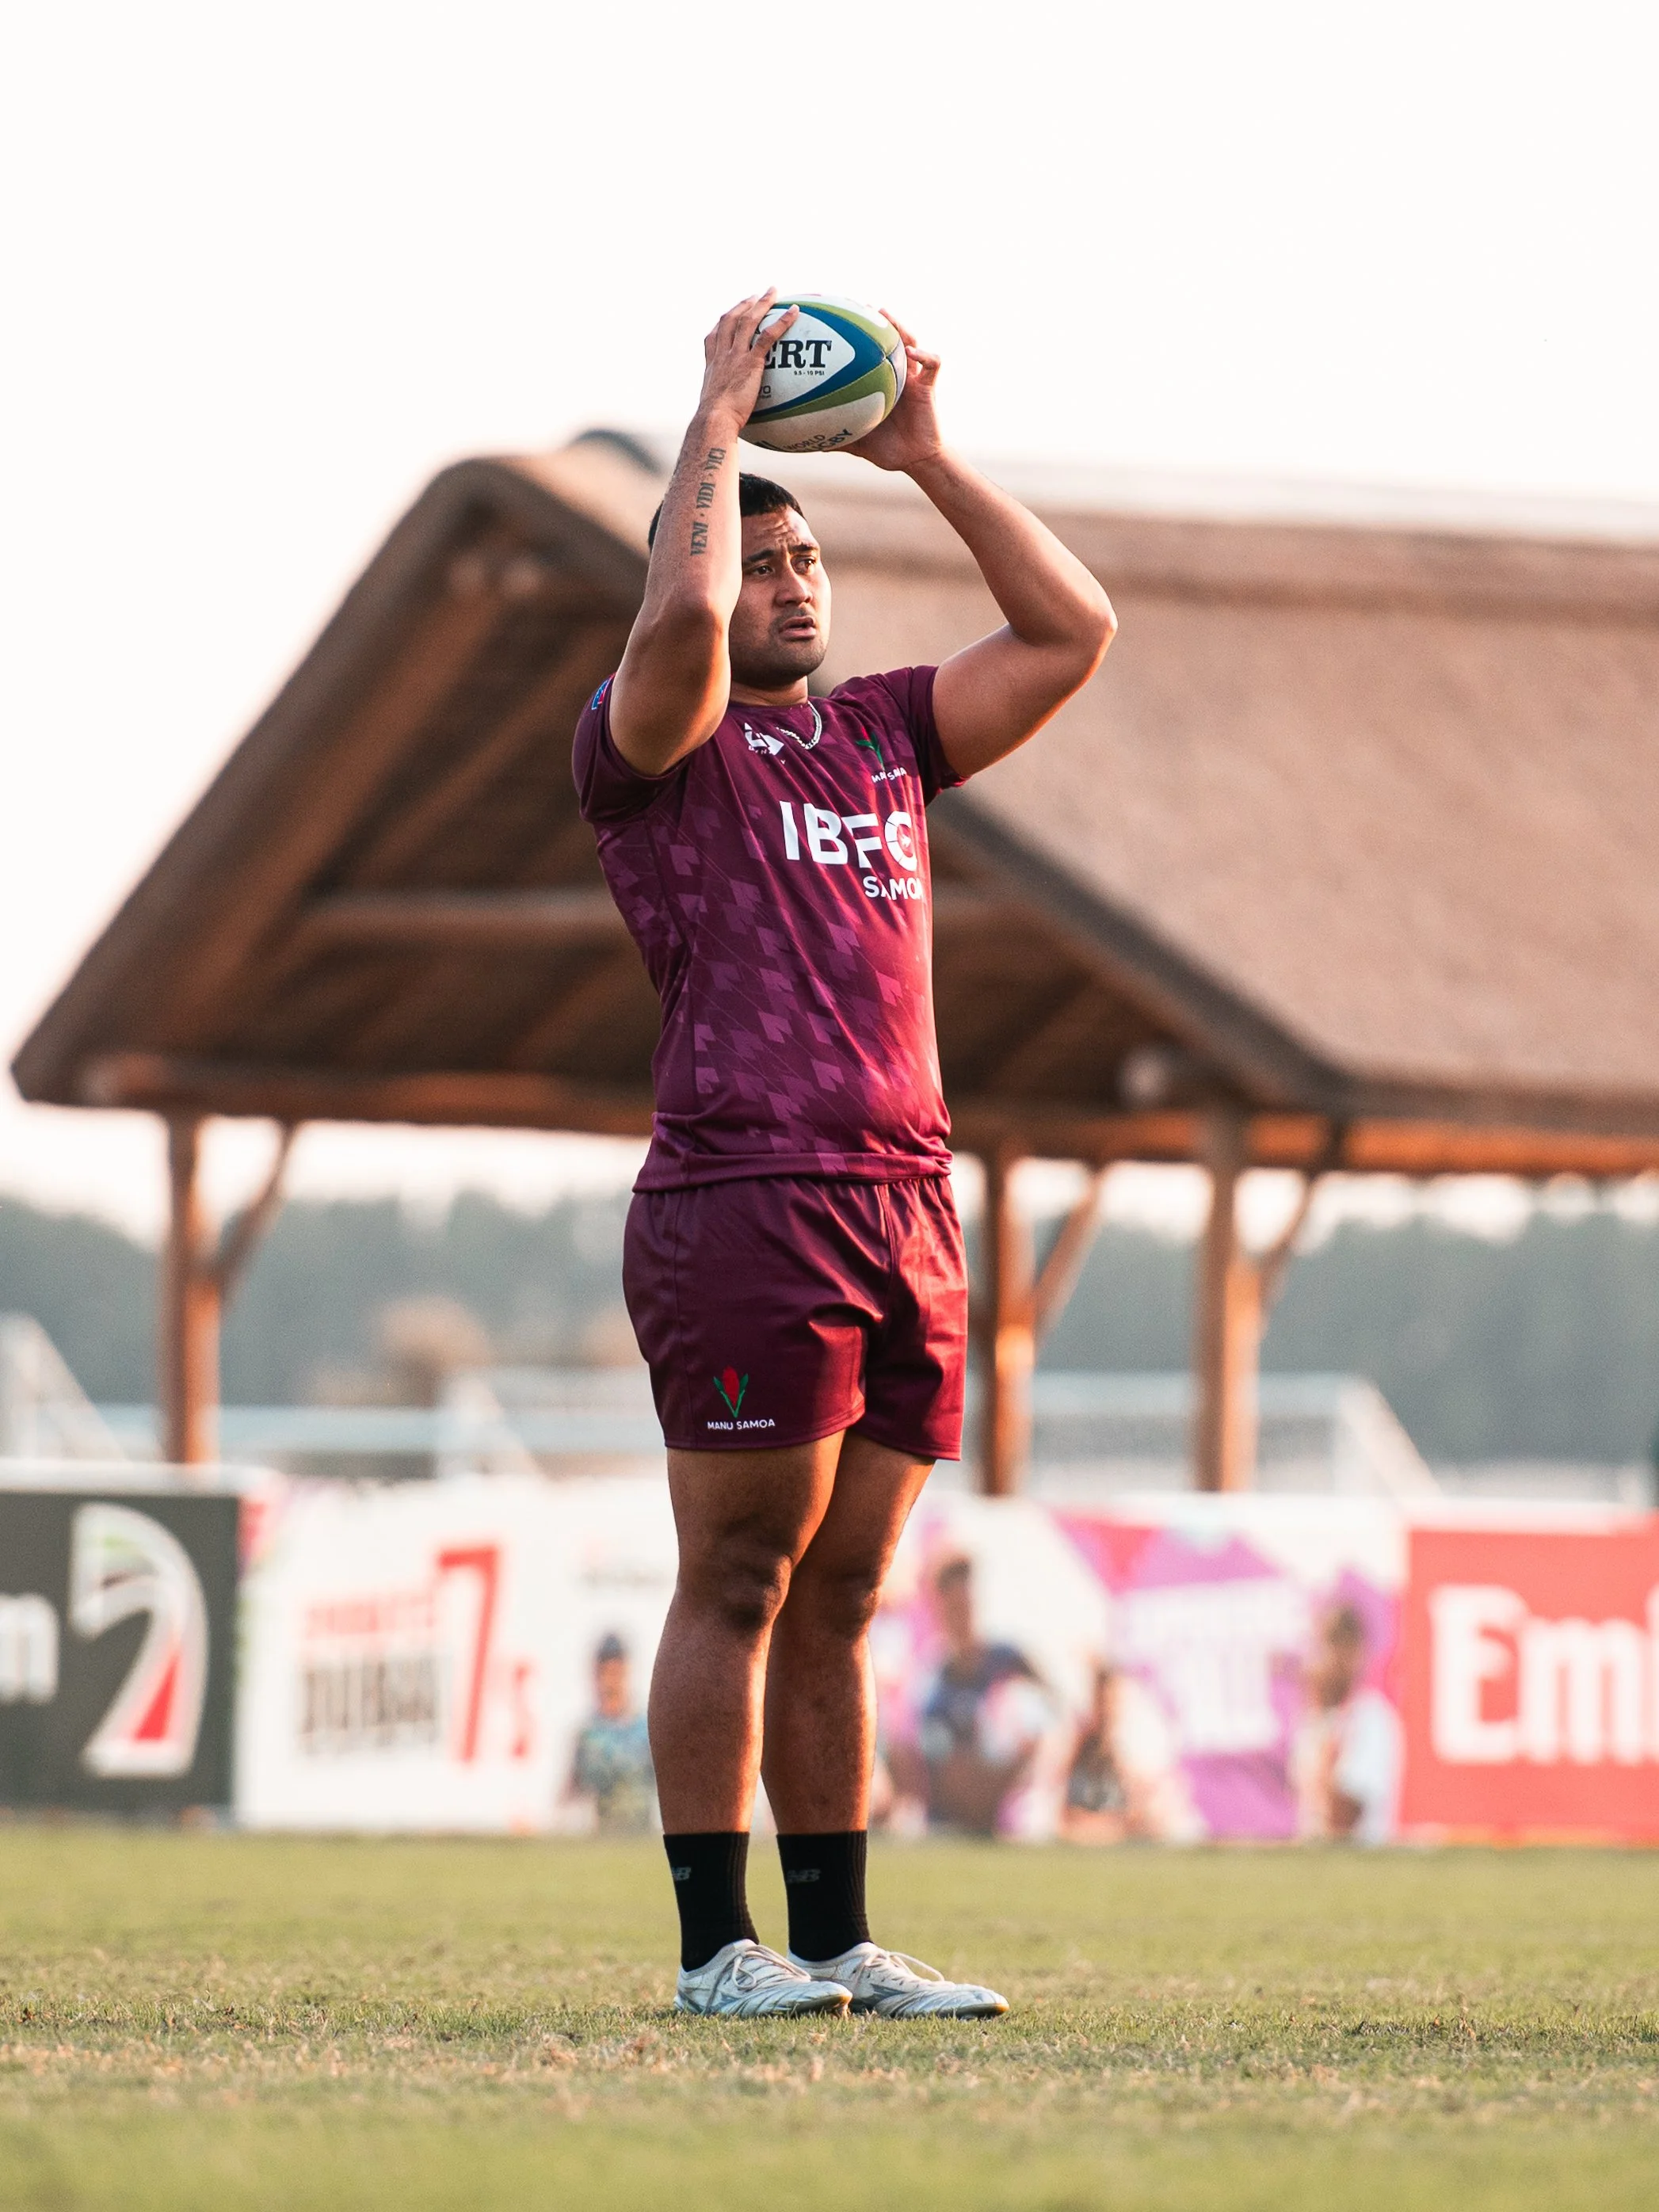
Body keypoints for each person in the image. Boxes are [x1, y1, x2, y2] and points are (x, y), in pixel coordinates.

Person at [573, 290, 1116, 2017]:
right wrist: (719, 433)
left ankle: (833, 1940)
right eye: (758, 558)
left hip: (906, 1202)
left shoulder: (884, 729)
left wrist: (929, 453)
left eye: (809, 557)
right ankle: (710, 1950)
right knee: (736, 1570)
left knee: (848, 1592)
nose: (790, 580)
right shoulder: (653, 742)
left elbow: (1069, 628)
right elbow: (681, 625)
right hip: (746, 1198)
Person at [893, 1554, 1047, 1836]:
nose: (964, 1615)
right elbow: (919, 1752)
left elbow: (1054, 1715)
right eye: (954, 1607)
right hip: (950, 1801)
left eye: (968, 1604)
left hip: (1007, 1795)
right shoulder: (930, 1677)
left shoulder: (1011, 1661)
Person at [1291, 1602, 1402, 1844]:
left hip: (1359, 1866)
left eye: (1331, 1645)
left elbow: (1343, 1818)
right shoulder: (1312, 1718)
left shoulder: (1371, 1717)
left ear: (1353, 1652)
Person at [564, 1633, 656, 1836]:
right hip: (602, 1844)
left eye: (616, 1672)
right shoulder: (588, 1736)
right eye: (603, 1673)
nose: (609, 1682)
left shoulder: (648, 1731)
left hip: (643, 1841)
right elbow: (571, 1794)